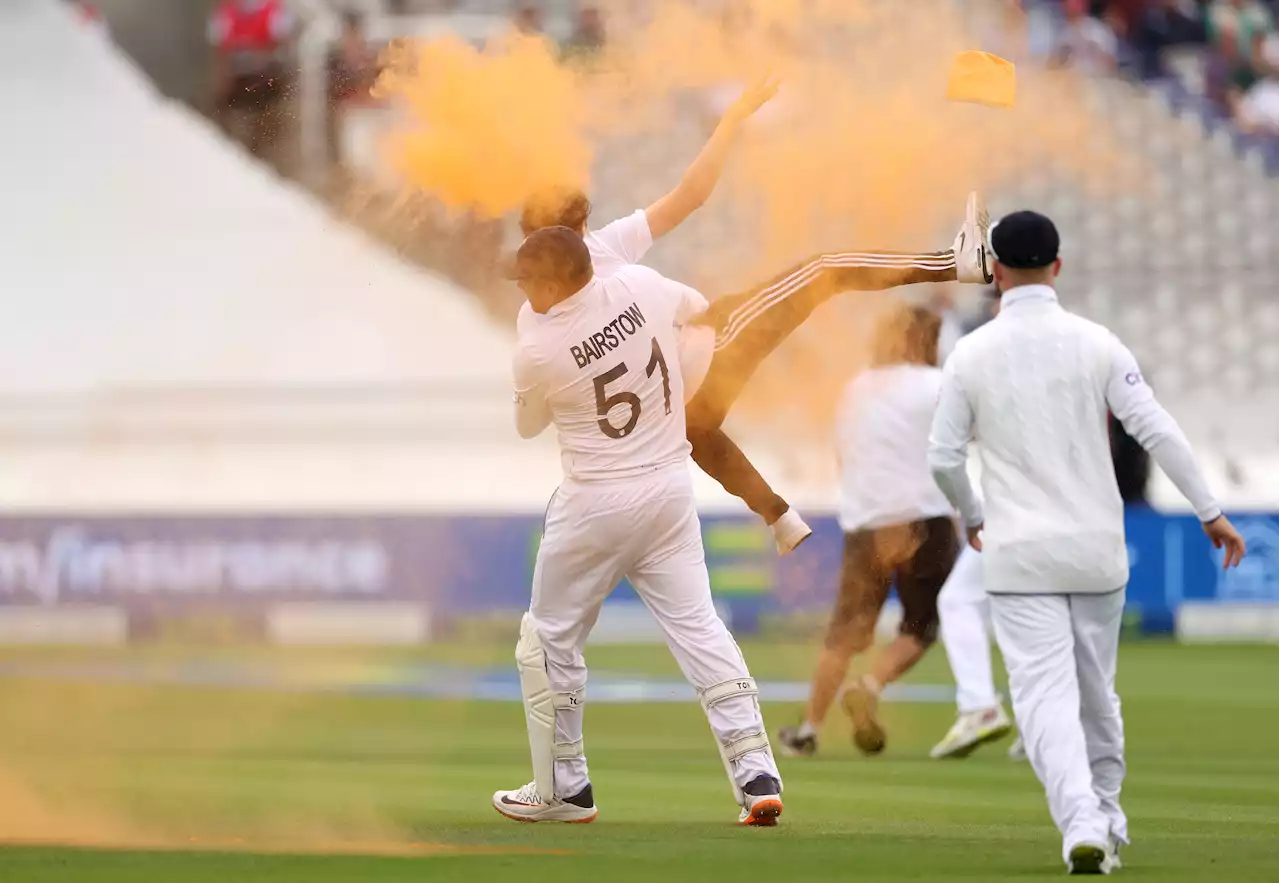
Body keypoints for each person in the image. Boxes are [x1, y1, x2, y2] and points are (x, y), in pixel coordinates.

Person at [520, 83, 994, 556]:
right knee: (822, 271)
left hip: (660, 419)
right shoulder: (601, 248)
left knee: (697, 430)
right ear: (577, 229)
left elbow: (539, 392)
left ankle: (778, 515)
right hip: (706, 354)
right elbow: (691, 198)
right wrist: (731, 122)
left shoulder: (536, 312)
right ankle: (955, 263)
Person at [927, 210, 1247, 874]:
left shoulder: (972, 351)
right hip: (1097, 549)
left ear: (996, 271)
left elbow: (942, 457)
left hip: (1018, 552)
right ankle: (1105, 816)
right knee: (1097, 692)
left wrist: (970, 511)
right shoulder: (1097, 341)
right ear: (1058, 266)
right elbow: (1157, 429)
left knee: (1044, 695)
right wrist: (1210, 511)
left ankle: (1084, 822)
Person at [494, 227, 784, 827]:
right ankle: (756, 771)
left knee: (547, 641)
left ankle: (563, 789)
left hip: (596, 499)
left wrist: (537, 338)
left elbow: (527, 427)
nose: (522, 294)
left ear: (551, 283)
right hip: (669, 488)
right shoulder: (641, 284)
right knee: (701, 627)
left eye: (527, 284)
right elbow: (699, 310)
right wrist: (683, 392)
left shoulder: (539, 348)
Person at [775, 306, 963, 757]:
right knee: (920, 626)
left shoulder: (854, 390)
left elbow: (842, 455)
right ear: (926, 341)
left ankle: (809, 729)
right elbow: (958, 445)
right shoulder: (936, 385)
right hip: (925, 516)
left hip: (866, 520)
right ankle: (871, 684)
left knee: (844, 634)